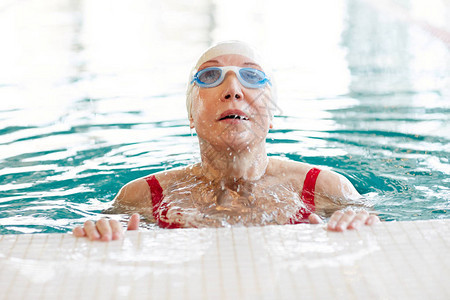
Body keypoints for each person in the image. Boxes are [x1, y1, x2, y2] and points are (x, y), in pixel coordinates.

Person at [73, 41, 380, 241]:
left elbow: (381, 239)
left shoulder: (327, 189)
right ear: (191, 114)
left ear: (271, 115)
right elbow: (91, 241)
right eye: (210, 77)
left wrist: (358, 222)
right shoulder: (140, 197)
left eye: (252, 77)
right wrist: (100, 232)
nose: (233, 89)